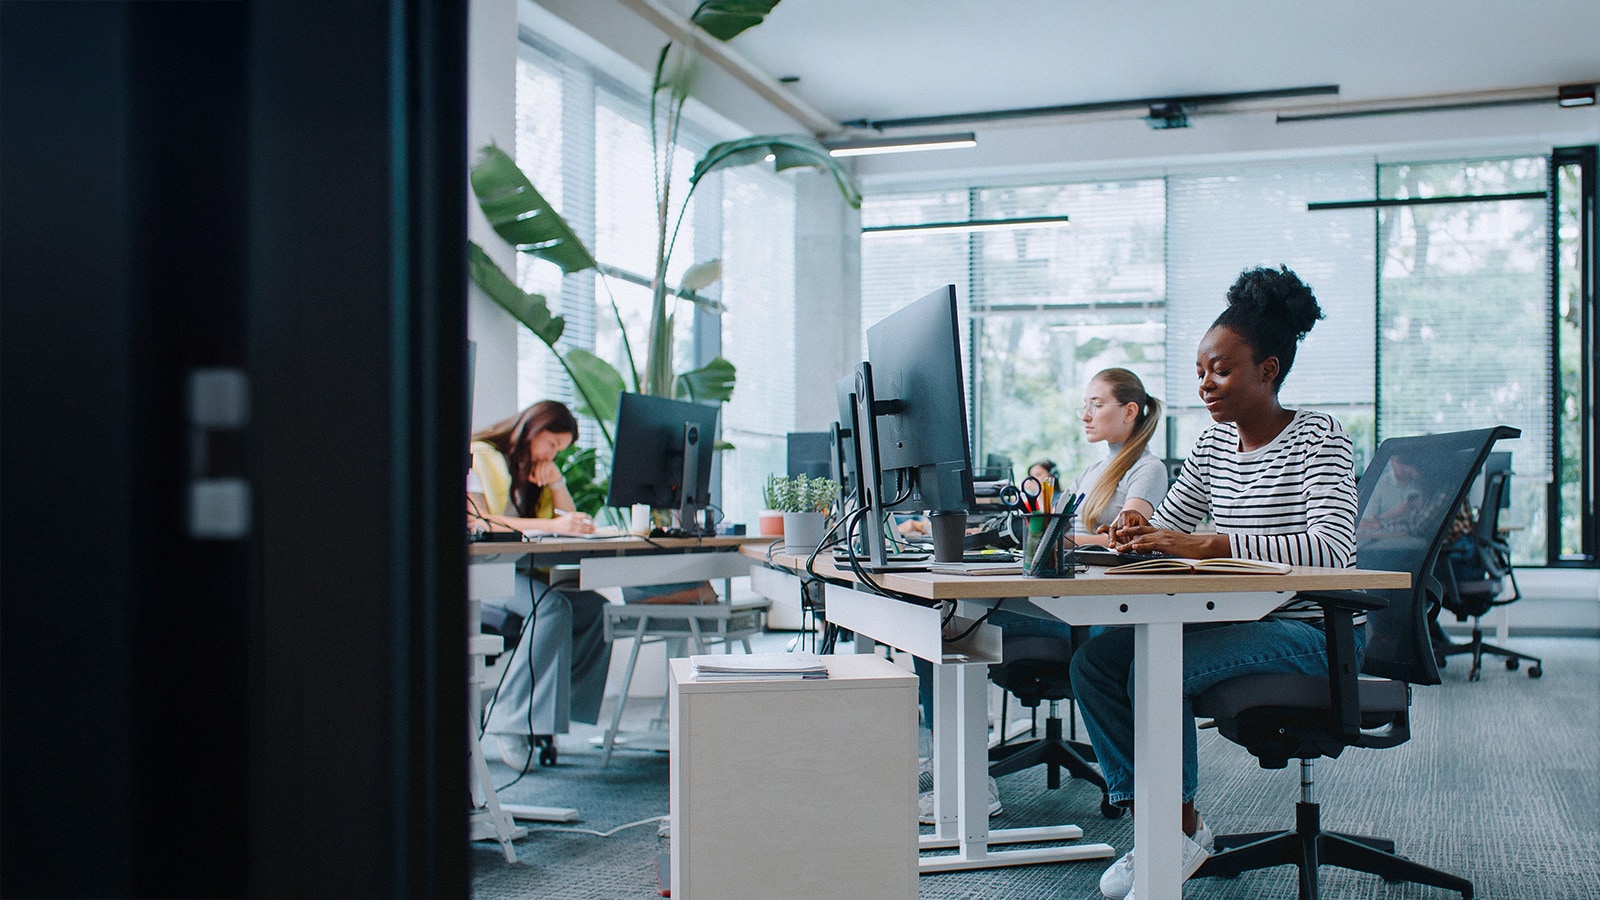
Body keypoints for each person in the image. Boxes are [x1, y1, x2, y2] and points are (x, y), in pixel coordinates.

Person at [1072, 265, 1358, 900]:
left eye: (1221, 370)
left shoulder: (1320, 438)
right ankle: (1172, 826)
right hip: (1239, 617)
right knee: (1096, 661)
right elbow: (1169, 523)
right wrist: (1134, 529)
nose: (1205, 384)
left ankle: (1168, 836)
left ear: (1268, 370)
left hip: (1311, 630)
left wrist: (1212, 541)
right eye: (1201, 371)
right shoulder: (1211, 446)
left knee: (1155, 666)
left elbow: (1334, 551)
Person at [467, 400, 611, 771]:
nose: (552, 454)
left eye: (560, 450)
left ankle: (546, 716)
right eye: (551, 444)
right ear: (532, 428)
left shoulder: (533, 473)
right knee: (551, 607)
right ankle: (509, 718)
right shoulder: (479, 455)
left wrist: (557, 479)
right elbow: (481, 522)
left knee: (593, 607)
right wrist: (553, 526)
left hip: (523, 573)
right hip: (485, 574)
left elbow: (569, 518)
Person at [1069, 367, 1167, 545]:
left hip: (1104, 571)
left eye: (1097, 405)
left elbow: (1123, 538)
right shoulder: (1091, 471)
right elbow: (1053, 520)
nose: (1085, 416)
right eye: (1085, 406)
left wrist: (1057, 542)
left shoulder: (1148, 469)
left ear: (1129, 412)